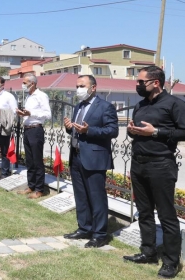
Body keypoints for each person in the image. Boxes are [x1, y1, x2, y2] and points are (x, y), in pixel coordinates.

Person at [123, 66, 185, 279]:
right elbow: (137, 131)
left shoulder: (174, 104)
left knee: (166, 215)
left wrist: (155, 131)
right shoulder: (141, 104)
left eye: (141, 82)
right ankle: (148, 252)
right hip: (139, 164)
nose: (137, 85)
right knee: (144, 212)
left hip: (161, 165)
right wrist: (131, 130)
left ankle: (171, 262)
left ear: (156, 83)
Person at [62, 75, 118, 248]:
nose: (78, 89)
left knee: (96, 196)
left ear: (93, 87)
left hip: (94, 158)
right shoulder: (78, 106)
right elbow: (77, 131)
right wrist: (69, 127)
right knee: (81, 196)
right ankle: (84, 227)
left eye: (82, 86)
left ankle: (100, 234)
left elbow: (112, 130)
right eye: (77, 86)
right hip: (77, 156)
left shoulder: (105, 106)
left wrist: (89, 130)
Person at [16, 74, 51, 199]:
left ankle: (39, 189)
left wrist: (31, 113)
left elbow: (47, 114)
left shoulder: (41, 96)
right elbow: (29, 114)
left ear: (33, 83)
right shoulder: (29, 96)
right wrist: (23, 114)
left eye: (25, 83)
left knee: (37, 161)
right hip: (27, 130)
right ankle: (31, 185)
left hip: (36, 130)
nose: (23, 85)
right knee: (29, 161)